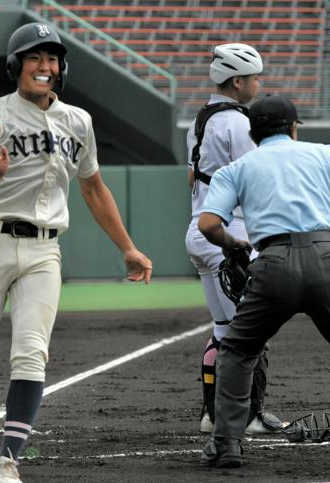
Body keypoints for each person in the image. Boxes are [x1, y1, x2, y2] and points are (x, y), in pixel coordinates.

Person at [0, 22, 153, 483]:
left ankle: (7, 460)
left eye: (52, 58)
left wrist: (129, 248)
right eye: (35, 57)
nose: (45, 66)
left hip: (44, 251)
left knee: (32, 354)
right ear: (17, 65)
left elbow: (93, 188)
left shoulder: (78, 121)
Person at [198, 95, 330, 468]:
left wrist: (233, 243)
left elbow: (208, 224)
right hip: (325, 256)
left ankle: (227, 445)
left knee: (238, 350)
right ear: (293, 127)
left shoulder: (237, 168)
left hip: (272, 264)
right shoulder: (323, 154)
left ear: (253, 133)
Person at [184, 43, 281, 434]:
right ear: (237, 81)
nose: (258, 84)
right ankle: (250, 415)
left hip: (200, 229)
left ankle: (213, 415)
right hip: (229, 234)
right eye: (255, 77)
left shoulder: (201, 119)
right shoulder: (238, 123)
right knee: (248, 335)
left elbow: (191, 177)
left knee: (225, 331)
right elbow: (256, 177)